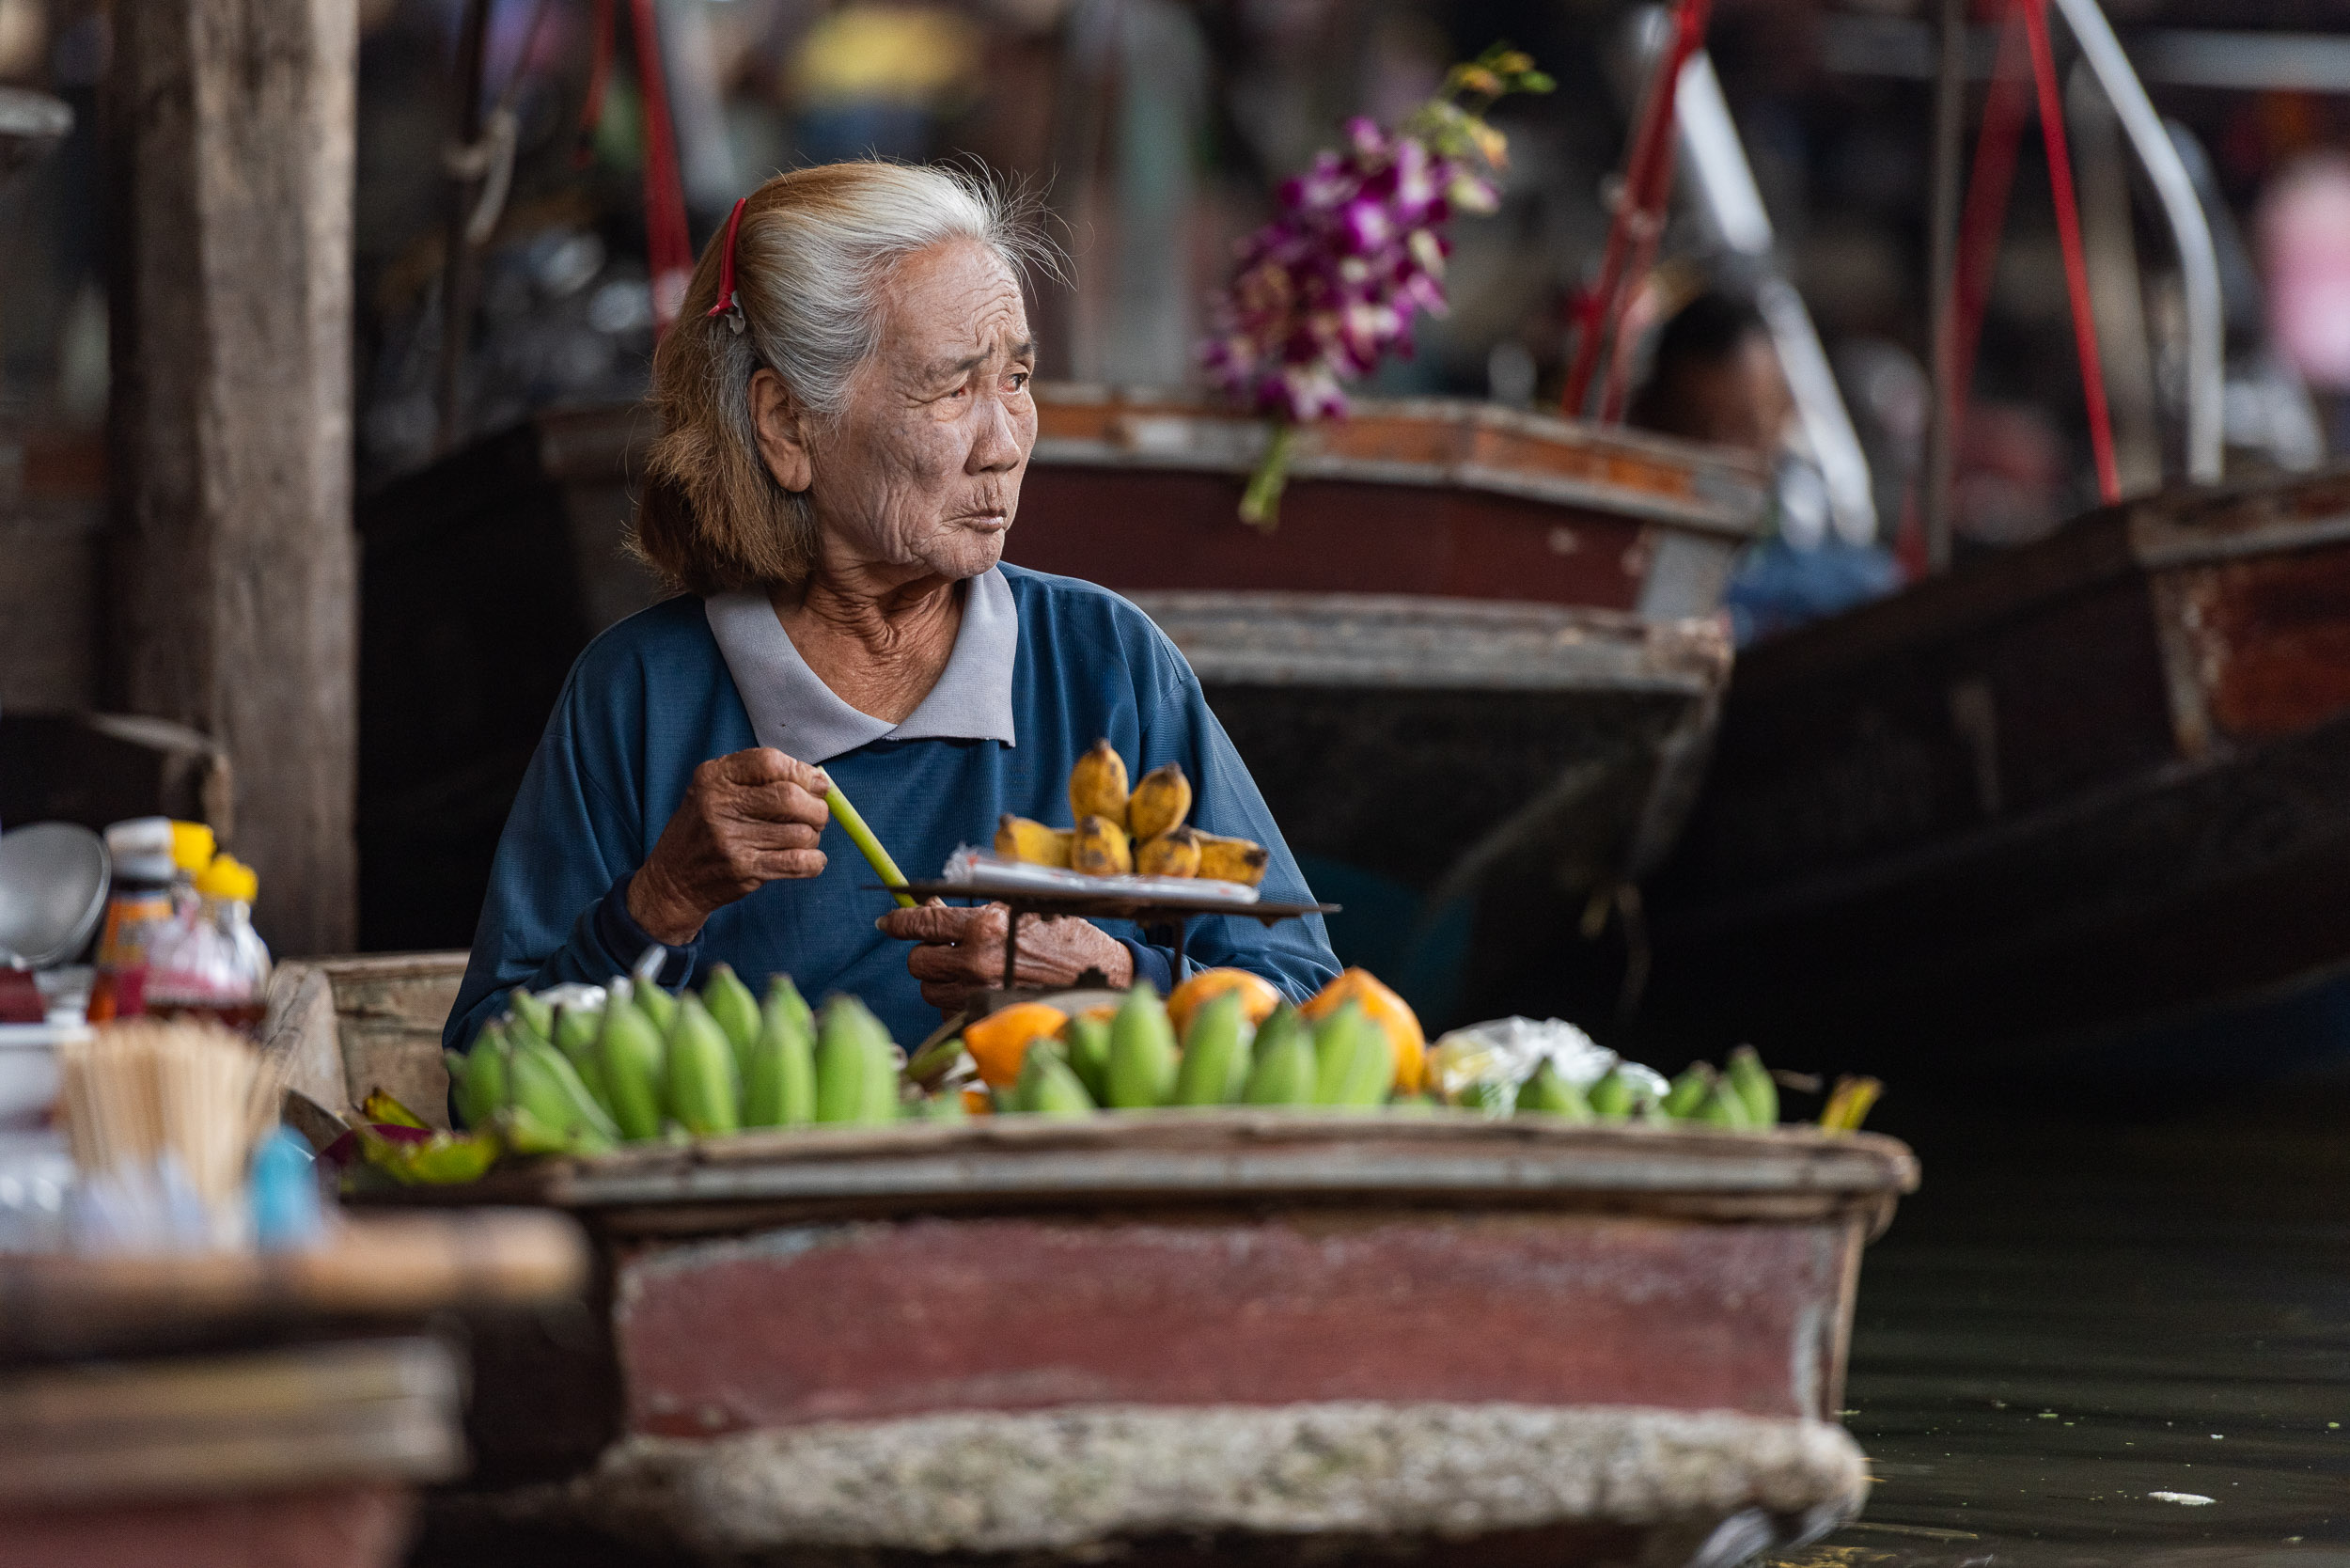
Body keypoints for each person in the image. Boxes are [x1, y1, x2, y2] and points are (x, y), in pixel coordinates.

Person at [443, 163, 1340, 1053]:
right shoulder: (643, 695)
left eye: (1017, 380)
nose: (1004, 445)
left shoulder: (1103, 663)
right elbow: (482, 1068)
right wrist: (660, 905)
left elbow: (1312, 1008)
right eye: (953, 390)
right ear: (788, 426)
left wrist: (1109, 980)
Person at [1629, 288, 1898, 645]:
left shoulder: (1849, 581)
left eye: (1747, 430)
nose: (1726, 456)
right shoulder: (1629, 577)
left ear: (1783, 416)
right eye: (1699, 430)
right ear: (1650, 419)